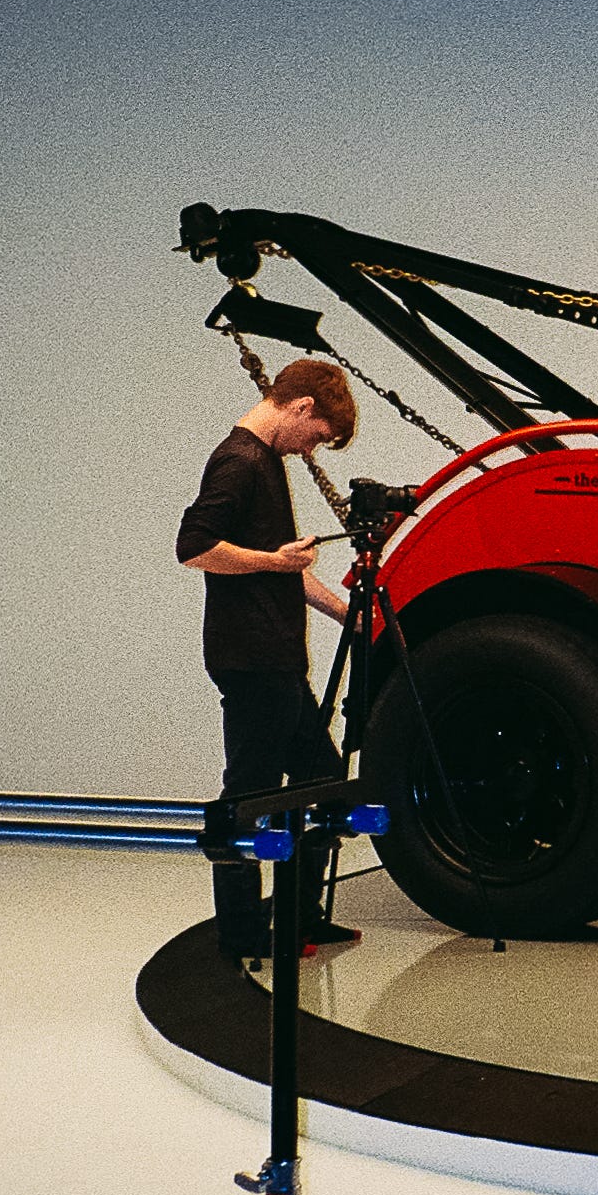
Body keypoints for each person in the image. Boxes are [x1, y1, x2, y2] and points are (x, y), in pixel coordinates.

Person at [177, 357, 360, 961]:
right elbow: (194, 548)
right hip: (251, 658)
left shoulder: (267, 461)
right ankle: (242, 934)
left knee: (325, 787)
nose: (312, 449)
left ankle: (298, 917)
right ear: (302, 407)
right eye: (316, 436)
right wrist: (275, 562)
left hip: (273, 657)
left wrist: (345, 613)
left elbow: (283, 565)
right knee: (249, 794)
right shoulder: (240, 461)